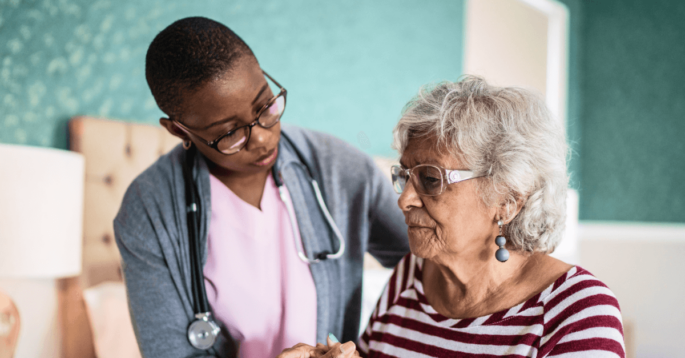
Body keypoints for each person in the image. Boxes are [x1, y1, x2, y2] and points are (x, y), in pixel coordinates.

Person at [114, 17, 409, 358]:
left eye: (265, 106)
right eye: (230, 133)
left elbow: (434, 261)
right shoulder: (148, 212)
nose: (263, 139)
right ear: (180, 131)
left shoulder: (341, 169)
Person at [286, 76, 626, 357]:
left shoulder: (577, 312)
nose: (404, 200)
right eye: (405, 176)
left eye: (430, 179)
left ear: (507, 199)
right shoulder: (410, 277)